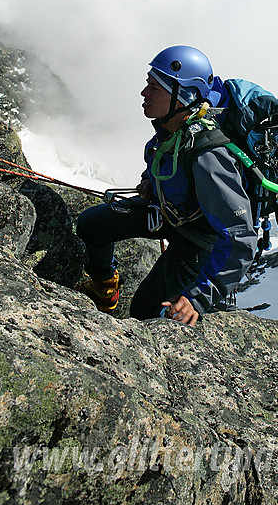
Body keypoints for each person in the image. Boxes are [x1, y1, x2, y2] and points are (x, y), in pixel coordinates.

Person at [75, 45, 257, 326]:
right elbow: (164, 165)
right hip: (169, 213)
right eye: (148, 84)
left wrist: (199, 297)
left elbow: (239, 237)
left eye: (154, 88)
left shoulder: (208, 156)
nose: (144, 93)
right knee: (90, 224)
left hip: (198, 243)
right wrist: (150, 182)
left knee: (144, 312)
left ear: (182, 96)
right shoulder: (169, 127)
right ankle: (105, 290)